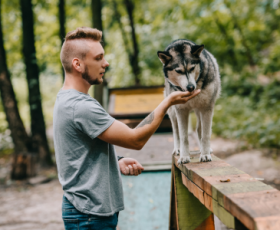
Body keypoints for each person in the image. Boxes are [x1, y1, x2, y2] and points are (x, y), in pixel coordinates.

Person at [53, 27, 200, 230]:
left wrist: (117, 161)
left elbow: (77, 154)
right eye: (98, 58)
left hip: (88, 212)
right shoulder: (81, 106)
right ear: (77, 64)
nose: (106, 63)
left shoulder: (68, 99)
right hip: (89, 216)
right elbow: (135, 139)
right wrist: (167, 102)